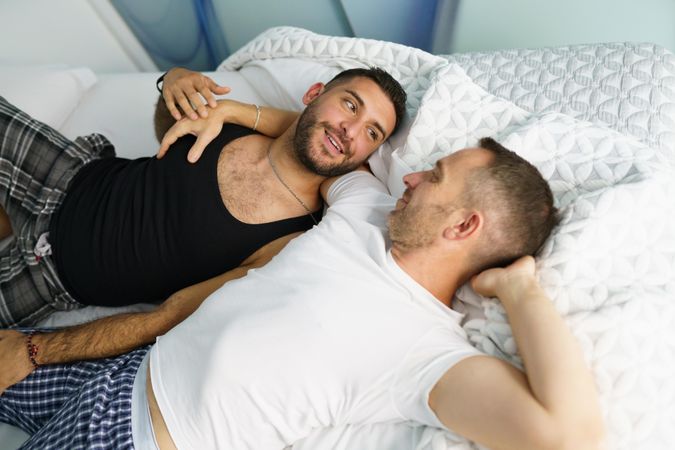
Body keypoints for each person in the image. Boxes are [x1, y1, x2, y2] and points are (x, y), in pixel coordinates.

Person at [0, 137, 606, 450]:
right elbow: (319, 139)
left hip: (140, 439)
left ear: (463, 227)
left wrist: (518, 287)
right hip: (123, 365)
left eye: (435, 177)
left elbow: (567, 436)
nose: (412, 175)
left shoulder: (429, 355)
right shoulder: (366, 209)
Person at [0, 65, 405, 330]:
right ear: (314, 93)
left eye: (372, 133)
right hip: (69, 173)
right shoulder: (233, 121)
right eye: (350, 105)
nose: (352, 130)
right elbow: (167, 130)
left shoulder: (296, 239)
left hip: (53, 277)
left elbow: (172, 313)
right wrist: (173, 83)